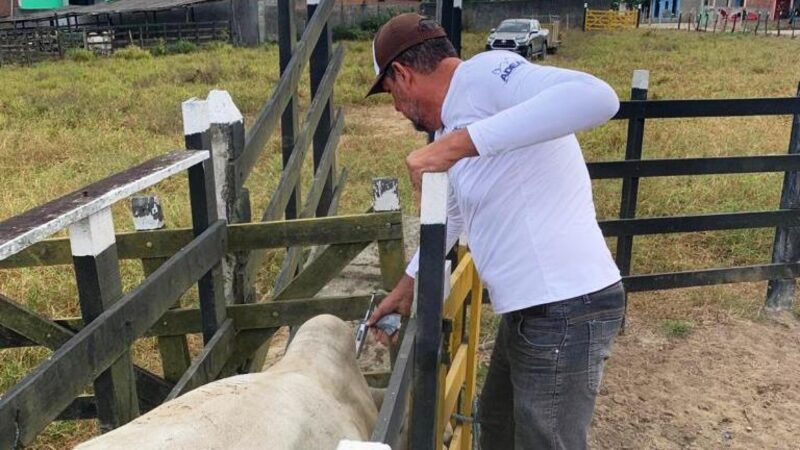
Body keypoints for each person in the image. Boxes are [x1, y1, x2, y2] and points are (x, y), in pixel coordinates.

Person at [365, 13, 626, 450]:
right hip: (533, 310)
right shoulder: (452, 123)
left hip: (564, 306)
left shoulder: (484, 75)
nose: (395, 108)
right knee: (498, 428)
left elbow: (598, 98)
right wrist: (407, 285)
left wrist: (455, 145)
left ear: (403, 75)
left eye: (390, 93)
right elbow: (452, 214)